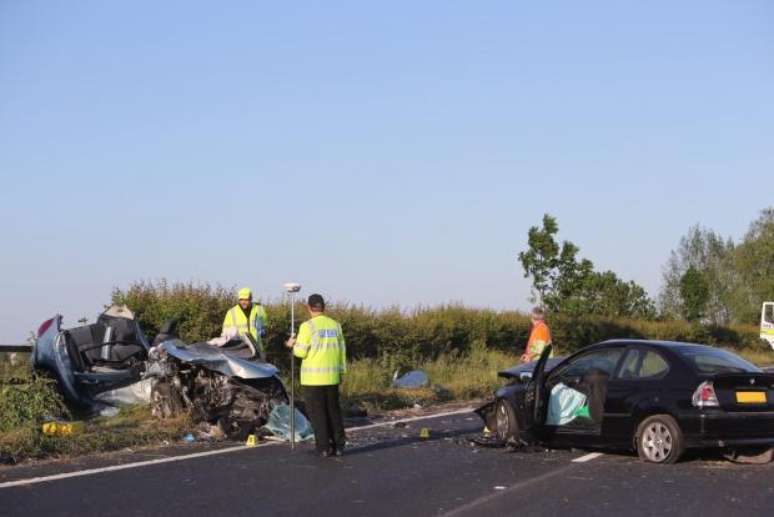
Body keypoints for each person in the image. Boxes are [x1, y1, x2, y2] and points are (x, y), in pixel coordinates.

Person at [285, 294, 347, 457]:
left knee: (317, 414)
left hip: (313, 380)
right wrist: (341, 372)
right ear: (324, 307)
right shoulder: (336, 326)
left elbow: (300, 352)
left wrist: (291, 344)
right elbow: (342, 352)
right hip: (332, 377)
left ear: (308, 307)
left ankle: (324, 448)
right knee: (333, 411)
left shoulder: (308, 327)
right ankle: (339, 446)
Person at [222, 287, 268, 354]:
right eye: (241, 299)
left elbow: (264, 325)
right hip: (239, 348)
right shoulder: (231, 312)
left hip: (257, 348)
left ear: (251, 299)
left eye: (246, 300)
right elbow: (225, 333)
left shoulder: (259, 309)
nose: (243, 302)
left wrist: (262, 331)